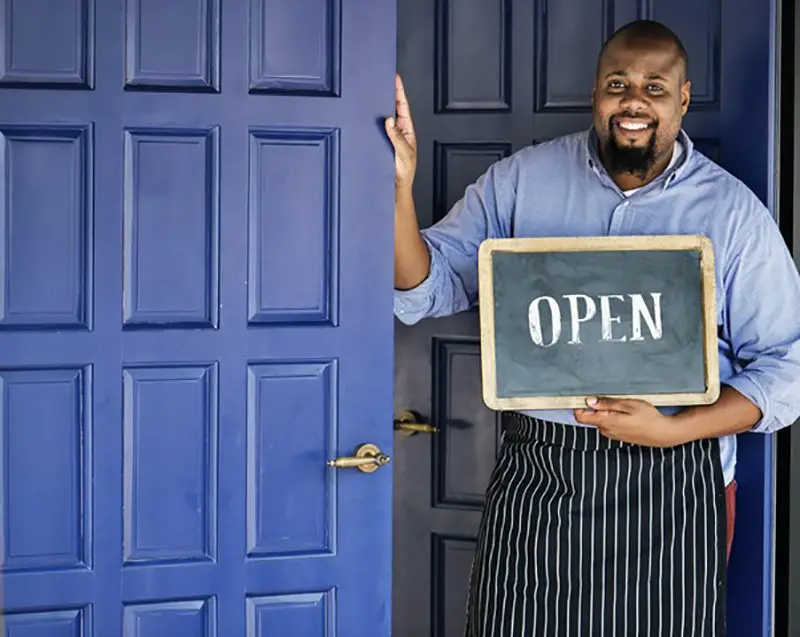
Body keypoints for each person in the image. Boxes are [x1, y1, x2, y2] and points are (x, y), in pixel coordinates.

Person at [385, 18, 800, 637]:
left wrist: (672, 430)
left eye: (656, 88)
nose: (634, 101)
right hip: (542, 478)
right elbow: (426, 288)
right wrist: (398, 190)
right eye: (618, 84)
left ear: (683, 100)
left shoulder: (732, 213)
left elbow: (787, 372)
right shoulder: (522, 181)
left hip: (675, 480)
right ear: (595, 94)